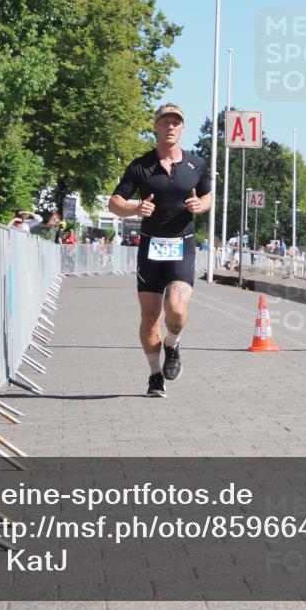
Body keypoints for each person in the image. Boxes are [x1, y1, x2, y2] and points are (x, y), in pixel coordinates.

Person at [108, 103, 212, 398]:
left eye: (175, 122)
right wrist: (135, 207)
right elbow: (114, 202)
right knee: (150, 315)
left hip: (182, 246)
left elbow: (208, 196)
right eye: (165, 122)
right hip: (151, 249)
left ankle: (173, 343)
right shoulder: (141, 165)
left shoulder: (195, 165)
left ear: (182, 128)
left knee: (177, 310)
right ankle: (155, 376)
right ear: (155, 126)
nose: (170, 126)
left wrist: (200, 206)